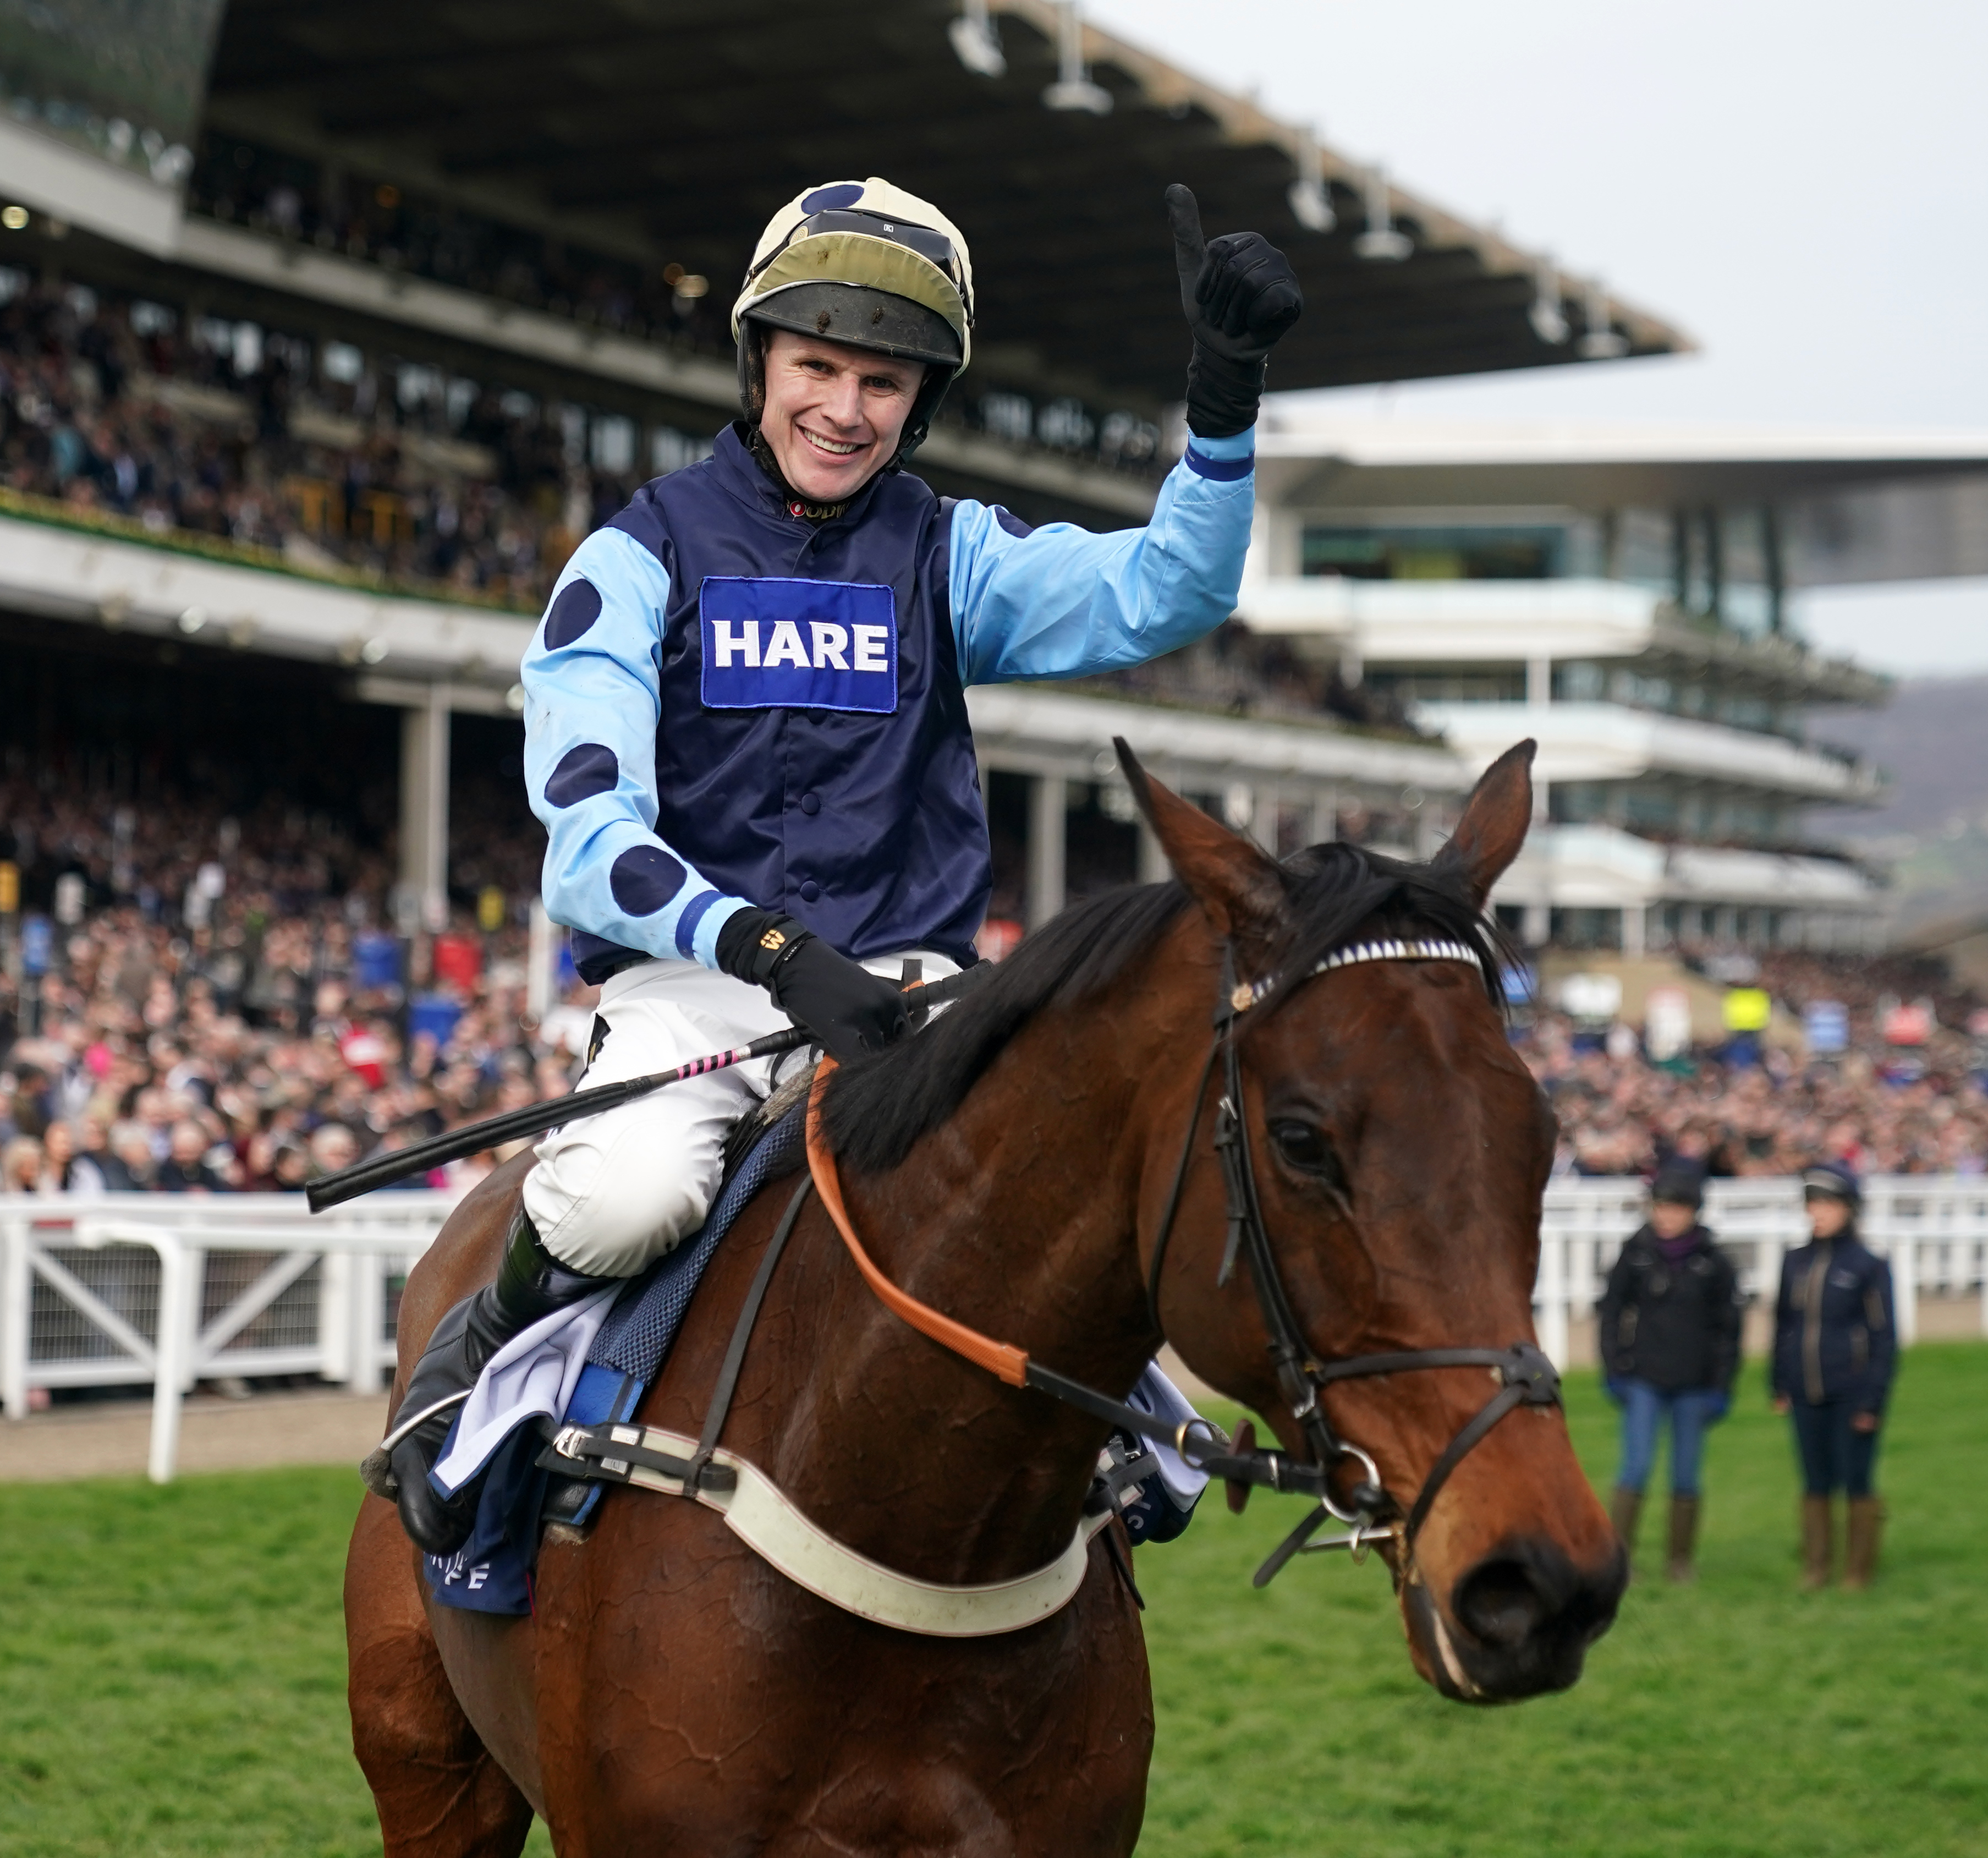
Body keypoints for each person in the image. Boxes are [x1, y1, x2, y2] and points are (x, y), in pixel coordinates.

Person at [383, 175, 1304, 1552]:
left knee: (1051, 1178)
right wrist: (767, 949)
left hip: (908, 990)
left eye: (882, 381)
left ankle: (1112, 1419)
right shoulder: (633, 557)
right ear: (759, 361)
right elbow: (587, 841)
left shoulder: (948, 552)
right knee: (628, 1195)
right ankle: (484, 1341)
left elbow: (1165, 590)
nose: (844, 408)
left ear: (918, 402)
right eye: (816, 366)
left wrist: (1222, 402)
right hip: (699, 985)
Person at [1596, 1163, 1743, 1582]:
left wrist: (1721, 1385)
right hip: (1643, 1379)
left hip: (1694, 1384)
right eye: (1660, 1207)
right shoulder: (1636, 1254)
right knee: (1635, 1466)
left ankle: (1680, 1562)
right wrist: (1615, 1367)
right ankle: (1620, 1560)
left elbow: (1729, 1330)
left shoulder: (1714, 1263)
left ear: (1693, 1211)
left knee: (1685, 1474)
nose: (1666, 1216)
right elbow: (1611, 1313)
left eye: (1675, 1208)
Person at [1772, 1161, 1897, 1590]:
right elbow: (1784, 1325)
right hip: (1805, 1390)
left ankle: (1858, 1570)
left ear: (1849, 1208)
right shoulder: (1795, 1261)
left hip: (1852, 1392)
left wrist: (1872, 1399)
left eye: (1828, 1203)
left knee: (1856, 1479)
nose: (1818, 1212)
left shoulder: (1868, 1265)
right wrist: (1779, 1382)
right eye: (1813, 1203)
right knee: (1815, 1479)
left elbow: (1884, 1338)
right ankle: (1816, 1566)